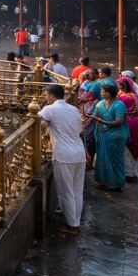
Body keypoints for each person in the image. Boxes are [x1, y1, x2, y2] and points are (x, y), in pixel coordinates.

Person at [38, 85, 86, 234]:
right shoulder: (74, 109)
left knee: (66, 192)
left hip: (64, 155)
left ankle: (72, 226)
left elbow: (36, 121)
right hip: (79, 153)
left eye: (46, 94)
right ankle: (76, 221)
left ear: (52, 96)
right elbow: (79, 130)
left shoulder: (49, 109)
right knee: (77, 191)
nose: (46, 97)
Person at [90, 83, 129, 191]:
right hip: (103, 135)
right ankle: (103, 182)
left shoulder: (119, 105)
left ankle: (118, 183)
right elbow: (95, 116)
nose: (100, 93)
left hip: (116, 136)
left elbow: (119, 121)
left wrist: (101, 121)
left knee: (116, 160)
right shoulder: (99, 104)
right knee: (102, 158)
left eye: (102, 91)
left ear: (108, 93)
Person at [116, 76, 138, 182]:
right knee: (135, 148)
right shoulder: (136, 96)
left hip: (128, 125)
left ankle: (127, 173)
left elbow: (119, 113)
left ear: (123, 86)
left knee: (126, 149)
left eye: (119, 85)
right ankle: (134, 172)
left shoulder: (122, 98)